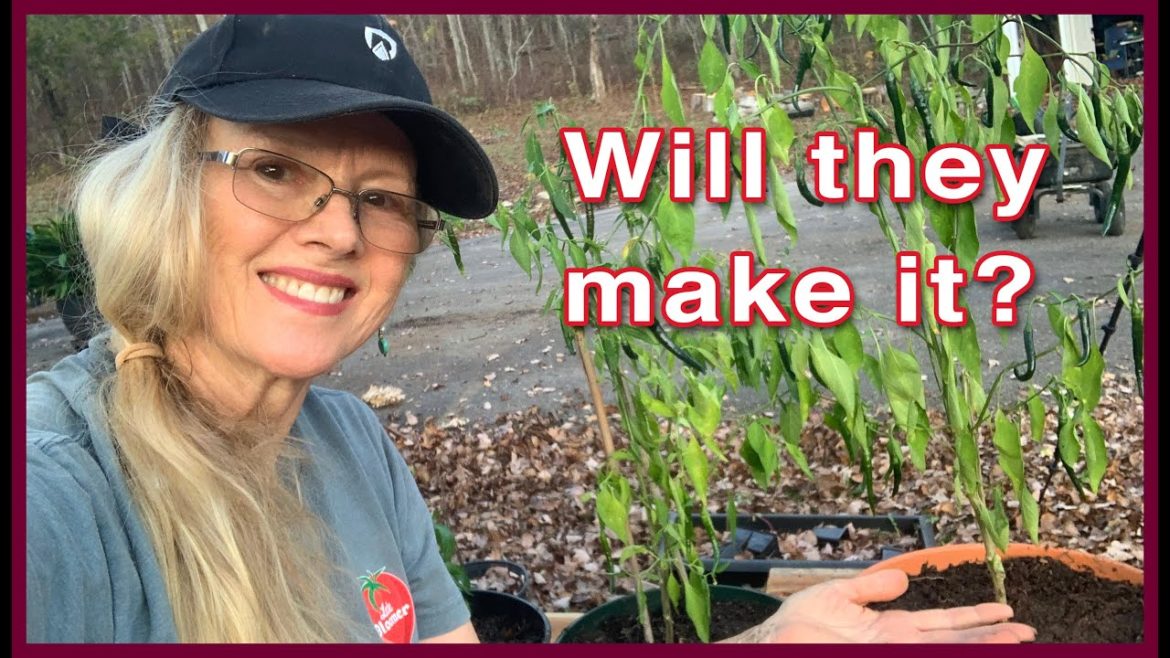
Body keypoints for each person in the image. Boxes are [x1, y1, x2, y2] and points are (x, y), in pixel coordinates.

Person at [24, 14, 1035, 644]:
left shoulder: (349, 444)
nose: (337, 230)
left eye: (380, 198)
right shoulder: (61, 500)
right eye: (278, 169)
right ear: (162, 193)